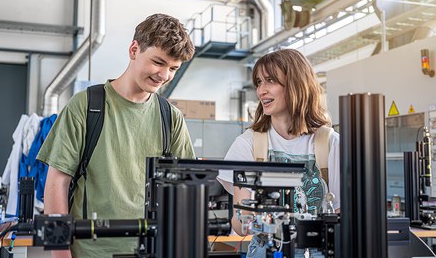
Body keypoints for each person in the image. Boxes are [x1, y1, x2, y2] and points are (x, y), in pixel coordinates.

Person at [37, 13, 196, 258]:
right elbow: (57, 183)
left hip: (151, 250)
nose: (164, 75)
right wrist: (59, 251)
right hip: (90, 251)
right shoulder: (86, 105)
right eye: (158, 62)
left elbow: (185, 190)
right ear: (134, 49)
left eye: (173, 68)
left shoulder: (171, 118)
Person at [217, 49, 340, 257]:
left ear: (296, 84)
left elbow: (340, 212)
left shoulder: (328, 142)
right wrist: (253, 218)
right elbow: (240, 225)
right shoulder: (248, 144)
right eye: (258, 82)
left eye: (270, 81)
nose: (261, 90)